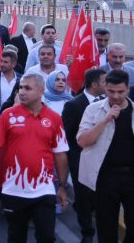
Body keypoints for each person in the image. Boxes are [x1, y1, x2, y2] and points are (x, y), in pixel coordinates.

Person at [0, 74, 69, 243]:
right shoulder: (8, 115)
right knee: (16, 237)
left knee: (46, 237)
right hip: (13, 189)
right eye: (20, 88)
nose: (22, 92)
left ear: (40, 91)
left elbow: (60, 153)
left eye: (27, 88)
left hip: (44, 189)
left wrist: (62, 186)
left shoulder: (54, 118)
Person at [77, 70, 134, 243]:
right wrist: (105, 120)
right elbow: (82, 141)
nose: (115, 96)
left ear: (128, 89)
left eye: (120, 92)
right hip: (104, 176)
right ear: (105, 89)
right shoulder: (93, 109)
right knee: (106, 228)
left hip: (131, 176)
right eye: (111, 91)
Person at [61, 68, 106, 242]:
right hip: (80, 160)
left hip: (102, 160)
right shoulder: (74, 105)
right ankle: (87, 233)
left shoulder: (107, 102)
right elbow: (67, 136)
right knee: (83, 199)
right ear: (94, 84)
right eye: (104, 81)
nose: (107, 84)